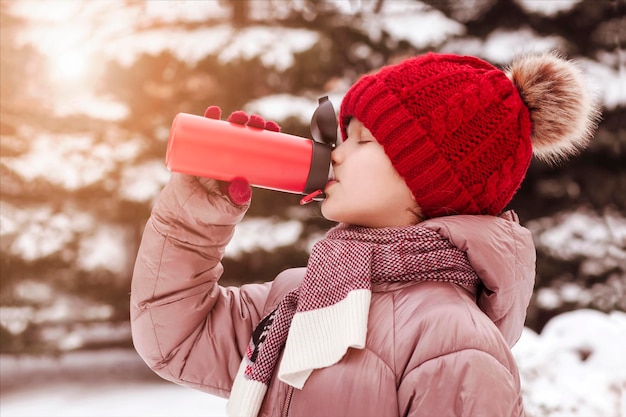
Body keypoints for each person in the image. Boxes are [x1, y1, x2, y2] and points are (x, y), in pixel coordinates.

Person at [130, 51, 599, 417]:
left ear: (429, 177)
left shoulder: (451, 340)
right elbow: (177, 337)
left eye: (363, 140)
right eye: (341, 135)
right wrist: (194, 219)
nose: (335, 153)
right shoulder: (305, 295)